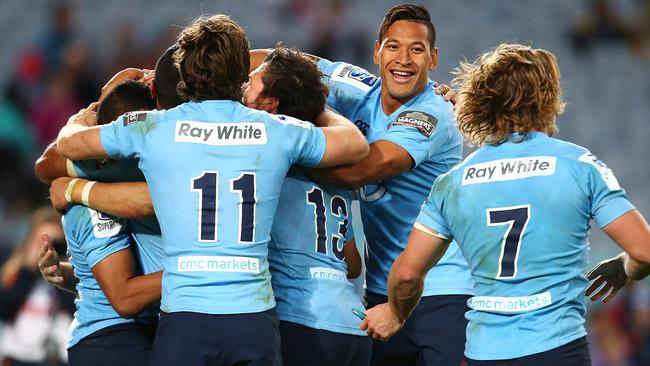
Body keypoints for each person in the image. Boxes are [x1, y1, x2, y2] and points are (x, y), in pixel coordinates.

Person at [54, 14, 369, 366]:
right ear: (239, 73)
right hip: (253, 317)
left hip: (186, 316)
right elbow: (355, 144)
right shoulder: (278, 129)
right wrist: (320, 109)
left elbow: (68, 146)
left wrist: (82, 117)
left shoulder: (154, 127)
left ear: (185, 69)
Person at [361, 43, 650, 365]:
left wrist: (397, 313)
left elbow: (407, 274)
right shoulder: (580, 165)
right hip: (557, 347)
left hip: (485, 351)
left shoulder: (453, 182)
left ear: (483, 102)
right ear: (548, 99)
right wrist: (624, 269)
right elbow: (644, 252)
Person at [256, 4, 473, 365]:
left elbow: (359, 172)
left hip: (440, 292)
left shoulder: (432, 115)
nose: (403, 59)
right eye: (393, 46)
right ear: (377, 51)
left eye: (416, 49)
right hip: (380, 291)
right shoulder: (358, 89)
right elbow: (276, 62)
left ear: (433, 58)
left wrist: (285, 147)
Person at [38, 80, 162, 366]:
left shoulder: (125, 175)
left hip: (137, 331)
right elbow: (124, 296)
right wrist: (202, 267)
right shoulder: (89, 199)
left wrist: (71, 274)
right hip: (111, 338)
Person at [0, 206, 72, 365]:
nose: (47, 251)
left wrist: (57, 271)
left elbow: (74, 310)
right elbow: (4, 309)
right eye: (42, 243)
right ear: (29, 241)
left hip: (54, 360)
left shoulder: (72, 277)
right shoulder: (14, 272)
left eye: (55, 244)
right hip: (16, 358)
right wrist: (29, 268)